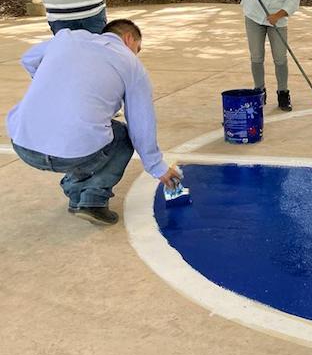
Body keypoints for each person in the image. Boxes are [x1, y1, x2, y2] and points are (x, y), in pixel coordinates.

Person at [6, 19, 182, 225]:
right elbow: (141, 124)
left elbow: (28, 59)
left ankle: (76, 195)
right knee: (121, 136)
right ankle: (93, 200)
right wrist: (157, 167)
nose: (136, 54)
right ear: (128, 38)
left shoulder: (67, 38)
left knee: (91, 129)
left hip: (23, 144)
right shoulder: (130, 63)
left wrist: (56, 86)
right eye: (137, 48)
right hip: (72, 153)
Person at [230, 0, 305, 111]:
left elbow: (293, 2)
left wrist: (277, 15)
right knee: (256, 56)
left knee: (280, 58)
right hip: (254, 14)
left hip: (278, 19)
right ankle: (259, 91)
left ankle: (283, 93)